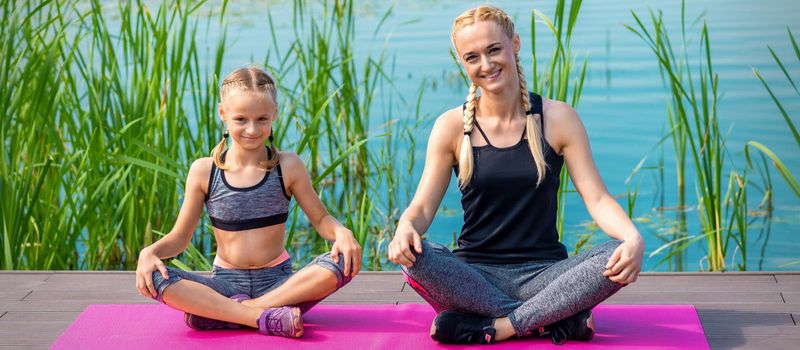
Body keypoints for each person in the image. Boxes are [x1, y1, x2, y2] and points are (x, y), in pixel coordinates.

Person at [388, 5, 645, 345]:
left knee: (614, 253)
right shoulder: (451, 127)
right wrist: (405, 228)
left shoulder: (558, 119)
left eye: (494, 50)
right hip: (474, 277)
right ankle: (555, 318)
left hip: (548, 274)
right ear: (463, 64)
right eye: (472, 57)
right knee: (415, 259)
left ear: (515, 44)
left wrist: (632, 238)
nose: (486, 65)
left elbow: (597, 198)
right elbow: (421, 209)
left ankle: (496, 326)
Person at [135, 66, 362, 338]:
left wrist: (342, 232)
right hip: (226, 284)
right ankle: (262, 316)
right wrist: (150, 252)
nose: (252, 129)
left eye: (262, 119)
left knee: (343, 262)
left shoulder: (288, 166)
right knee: (157, 278)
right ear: (223, 114)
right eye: (241, 119)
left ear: (274, 114)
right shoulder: (204, 171)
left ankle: (227, 313)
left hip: (281, 283)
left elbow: (322, 219)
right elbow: (180, 238)